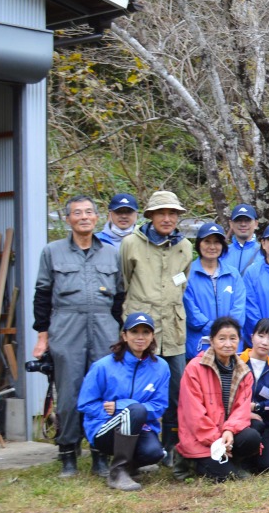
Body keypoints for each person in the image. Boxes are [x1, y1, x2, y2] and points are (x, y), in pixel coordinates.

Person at [32, 195, 125, 477]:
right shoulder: (52, 252)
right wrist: (42, 337)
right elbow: (42, 296)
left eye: (88, 212)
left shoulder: (111, 253)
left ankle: (99, 453)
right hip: (66, 327)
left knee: (104, 392)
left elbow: (120, 297)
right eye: (77, 213)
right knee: (70, 394)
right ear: (68, 219)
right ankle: (68, 454)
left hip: (104, 329)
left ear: (98, 217)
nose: (83, 217)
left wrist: (120, 333)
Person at [120, 190, 193, 454]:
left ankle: (171, 447)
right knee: (136, 387)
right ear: (150, 216)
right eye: (162, 213)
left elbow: (181, 283)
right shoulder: (131, 243)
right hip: (142, 329)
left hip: (173, 331)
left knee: (176, 392)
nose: (167, 218)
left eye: (172, 213)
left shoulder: (185, 247)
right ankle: (133, 444)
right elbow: (124, 282)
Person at [177, 316, 269, 480]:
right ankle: (191, 462)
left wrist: (229, 431)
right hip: (202, 437)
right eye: (222, 338)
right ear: (211, 340)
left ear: (239, 340)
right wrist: (217, 440)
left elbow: (241, 409)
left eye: (233, 338)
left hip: (226, 433)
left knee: (252, 437)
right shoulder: (195, 368)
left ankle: (233, 460)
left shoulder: (243, 371)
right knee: (227, 476)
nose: (227, 344)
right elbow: (194, 415)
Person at [77, 312, 169, 491]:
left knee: (155, 453)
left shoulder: (161, 367)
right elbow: (85, 404)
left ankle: (129, 467)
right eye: (134, 332)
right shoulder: (103, 366)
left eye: (145, 332)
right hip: (103, 429)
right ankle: (117, 472)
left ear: (152, 336)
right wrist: (121, 412)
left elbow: (159, 406)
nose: (140, 337)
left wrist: (122, 407)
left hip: (140, 425)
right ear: (124, 336)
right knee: (135, 410)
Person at [183, 222, 246, 360]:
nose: (212, 247)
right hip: (199, 346)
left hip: (230, 346)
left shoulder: (233, 274)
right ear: (199, 244)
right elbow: (190, 311)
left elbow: (239, 308)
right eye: (207, 241)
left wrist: (226, 334)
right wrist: (215, 330)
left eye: (217, 242)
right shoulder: (187, 274)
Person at [241, 318, 269, 453]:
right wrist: (245, 412)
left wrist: (257, 407)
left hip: (265, 423)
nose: (265, 342)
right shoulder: (237, 361)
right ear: (252, 337)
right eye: (261, 336)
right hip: (236, 420)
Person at [225, 204, 262, 275]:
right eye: (238, 220)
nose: (243, 224)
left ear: (256, 224)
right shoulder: (222, 253)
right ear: (231, 224)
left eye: (247, 220)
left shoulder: (265, 254)